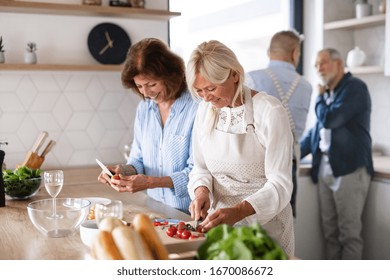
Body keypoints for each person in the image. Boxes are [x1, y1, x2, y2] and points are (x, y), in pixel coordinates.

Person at [186, 40, 295, 256]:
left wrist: (239, 212)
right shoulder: (204, 111)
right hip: (220, 227)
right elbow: (200, 168)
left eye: (211, 88)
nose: (206, 98)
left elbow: (281, 184)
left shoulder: (270, 111)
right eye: (199, 91)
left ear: (234, 74)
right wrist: (201, 191)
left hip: (266, 228)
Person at [97, 38, 198, 214]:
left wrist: (151, 182)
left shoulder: (196, 107)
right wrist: (123, 171)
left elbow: (197, 171)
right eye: (139, 86)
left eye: (152, 84)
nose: (145, 92)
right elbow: (138, 160)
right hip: (155, 209)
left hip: (190, 213)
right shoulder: (145, 108)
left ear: (171, 75)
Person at [300, 48, 374, 259]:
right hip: (326, 167)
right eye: (315, 65)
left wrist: (318, 98)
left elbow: (332, 119)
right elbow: (316, 132)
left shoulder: (355, 88)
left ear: (339, 64)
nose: (318, 68)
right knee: (330, 233)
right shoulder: (328, 93)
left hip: (349, 168)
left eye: (323, 63)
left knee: (349, 234)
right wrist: (291, 155)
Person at [246, 30, 313, 217]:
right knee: (285, 223)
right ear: (295, 53)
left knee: (252, 226)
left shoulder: (251, 78)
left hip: (254, 165)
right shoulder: (306, 86)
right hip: (288, 165)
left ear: (269, 52)